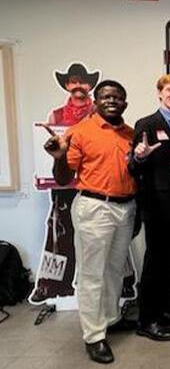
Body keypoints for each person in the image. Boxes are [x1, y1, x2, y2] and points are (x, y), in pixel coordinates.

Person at [43, 80, 137, 364]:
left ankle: (110, 318)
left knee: (114, 270)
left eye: (117, 97)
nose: (112, 101)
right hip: (95, 208)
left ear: (125, 103)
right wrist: (59, 157)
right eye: (106, 96)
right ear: (96, 102)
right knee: (92, 274)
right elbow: (63, 178)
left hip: (125, 207)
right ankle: (94, 336)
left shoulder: (130, 133)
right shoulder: (80, 131)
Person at [129, 74, 170, 341]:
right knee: (155, 263)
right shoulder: (146, 124)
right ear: (159, 93)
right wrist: (139, 157)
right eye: (169, 90)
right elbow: (133, 166)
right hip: (156, 206)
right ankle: (147, 320)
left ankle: (165, 311)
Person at [31, 63, 98, 304]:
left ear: (90, 85)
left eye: (83, 81)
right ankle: (52, 284)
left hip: (94, 184)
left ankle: (121, 283)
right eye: (73, 81)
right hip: (64, 185)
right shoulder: (55, 115)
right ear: (67, 85)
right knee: (59, 233)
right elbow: (47, 150)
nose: (78, 85)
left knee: (102, 234)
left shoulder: (100, 112)